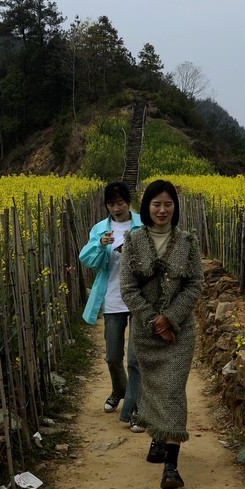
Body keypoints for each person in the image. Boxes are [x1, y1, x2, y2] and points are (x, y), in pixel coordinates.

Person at [120, 179, 204, 489]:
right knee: (153, 388)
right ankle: (158, 436)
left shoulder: (187, 242)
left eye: (168, 204)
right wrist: (153, 320)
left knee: (172, 390)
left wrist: (170, 318)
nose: (162, 209)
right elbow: (128, 288)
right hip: (146, 333)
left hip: (179, 333)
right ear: (147, 207)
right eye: (156, 204)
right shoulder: (133, 240)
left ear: (175, 208)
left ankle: (171, 466)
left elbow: (195, 283)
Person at [79, 181, 145, 430]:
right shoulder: (100, 229)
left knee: (136, 359)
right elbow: (87, 260)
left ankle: (137, 409)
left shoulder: (142, 224)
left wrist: (135, 252)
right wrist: (100, 245)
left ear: (128, 202)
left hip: (139, 298)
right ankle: (120, 390)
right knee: (113, 356)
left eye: (120, 203)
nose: (116, 208)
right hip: (112, 298)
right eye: (111, 204)